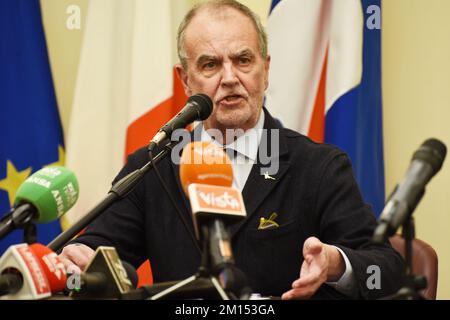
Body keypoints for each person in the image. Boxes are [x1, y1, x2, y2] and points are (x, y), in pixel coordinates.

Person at [59, 0, 403, 299]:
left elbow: (386, 271)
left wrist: (334, 263)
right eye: (210, 65)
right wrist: (78, 261)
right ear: (185, 80)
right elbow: (101, 255)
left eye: (243, 60)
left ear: (265, 71)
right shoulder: (154, 166)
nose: (229, 77)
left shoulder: (319, 167)